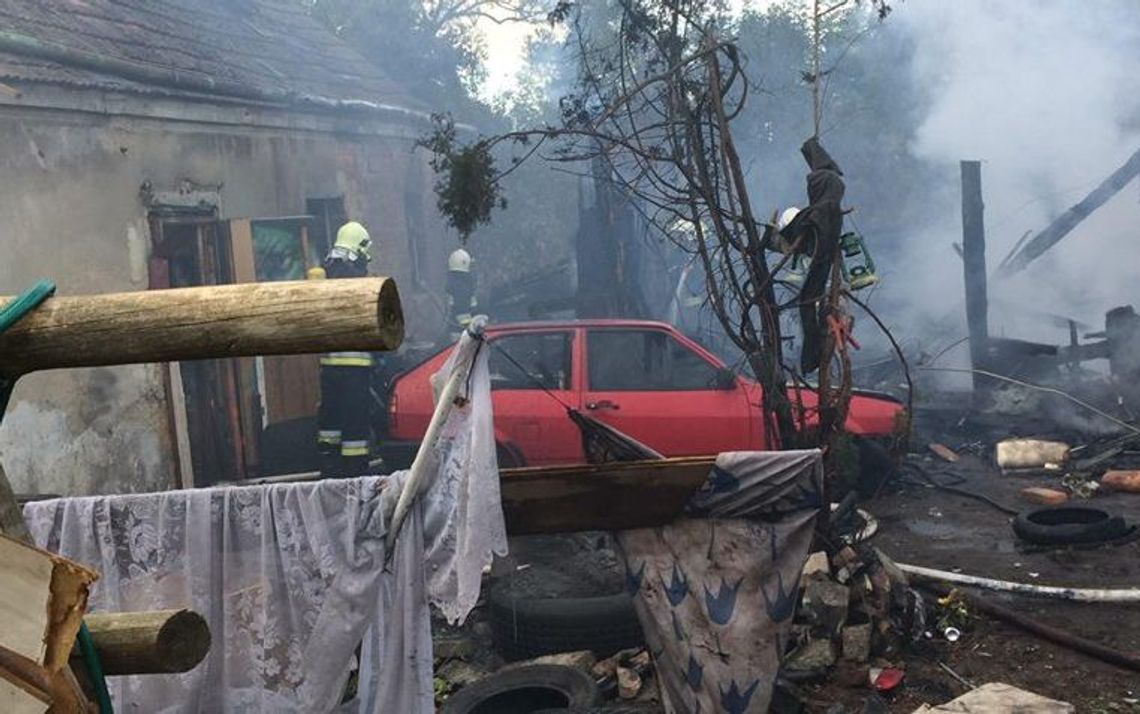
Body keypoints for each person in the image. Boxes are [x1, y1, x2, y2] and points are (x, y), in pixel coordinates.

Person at [316, 221, 375, 477]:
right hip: (355, 369)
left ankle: (329, 467)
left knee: (330, 421)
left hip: (329, 367)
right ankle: (355, 473)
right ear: (357, 246)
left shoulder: (327, 272)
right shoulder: (354, 277)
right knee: (355, 424)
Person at [445, 247, 477, 343]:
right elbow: (461, 310)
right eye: (470, 265)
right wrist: (470, 327)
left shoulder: (455, 283)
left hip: (457, 328)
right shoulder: (461, 287)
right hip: (461, 332)